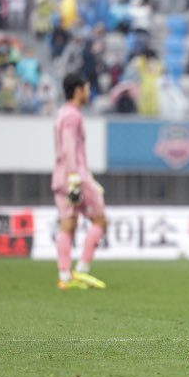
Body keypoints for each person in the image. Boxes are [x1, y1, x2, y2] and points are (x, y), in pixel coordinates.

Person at [51, 72, 107, 291]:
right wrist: (75, 178)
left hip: (59, 176)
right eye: (86, 88)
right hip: (75, 177)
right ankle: (82, 270)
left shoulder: (61, 114)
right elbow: (68, 147)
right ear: (77, 90)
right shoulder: (73, 116)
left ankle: (65, 276)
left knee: (68, 224)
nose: (89, 92)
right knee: (100, 220)